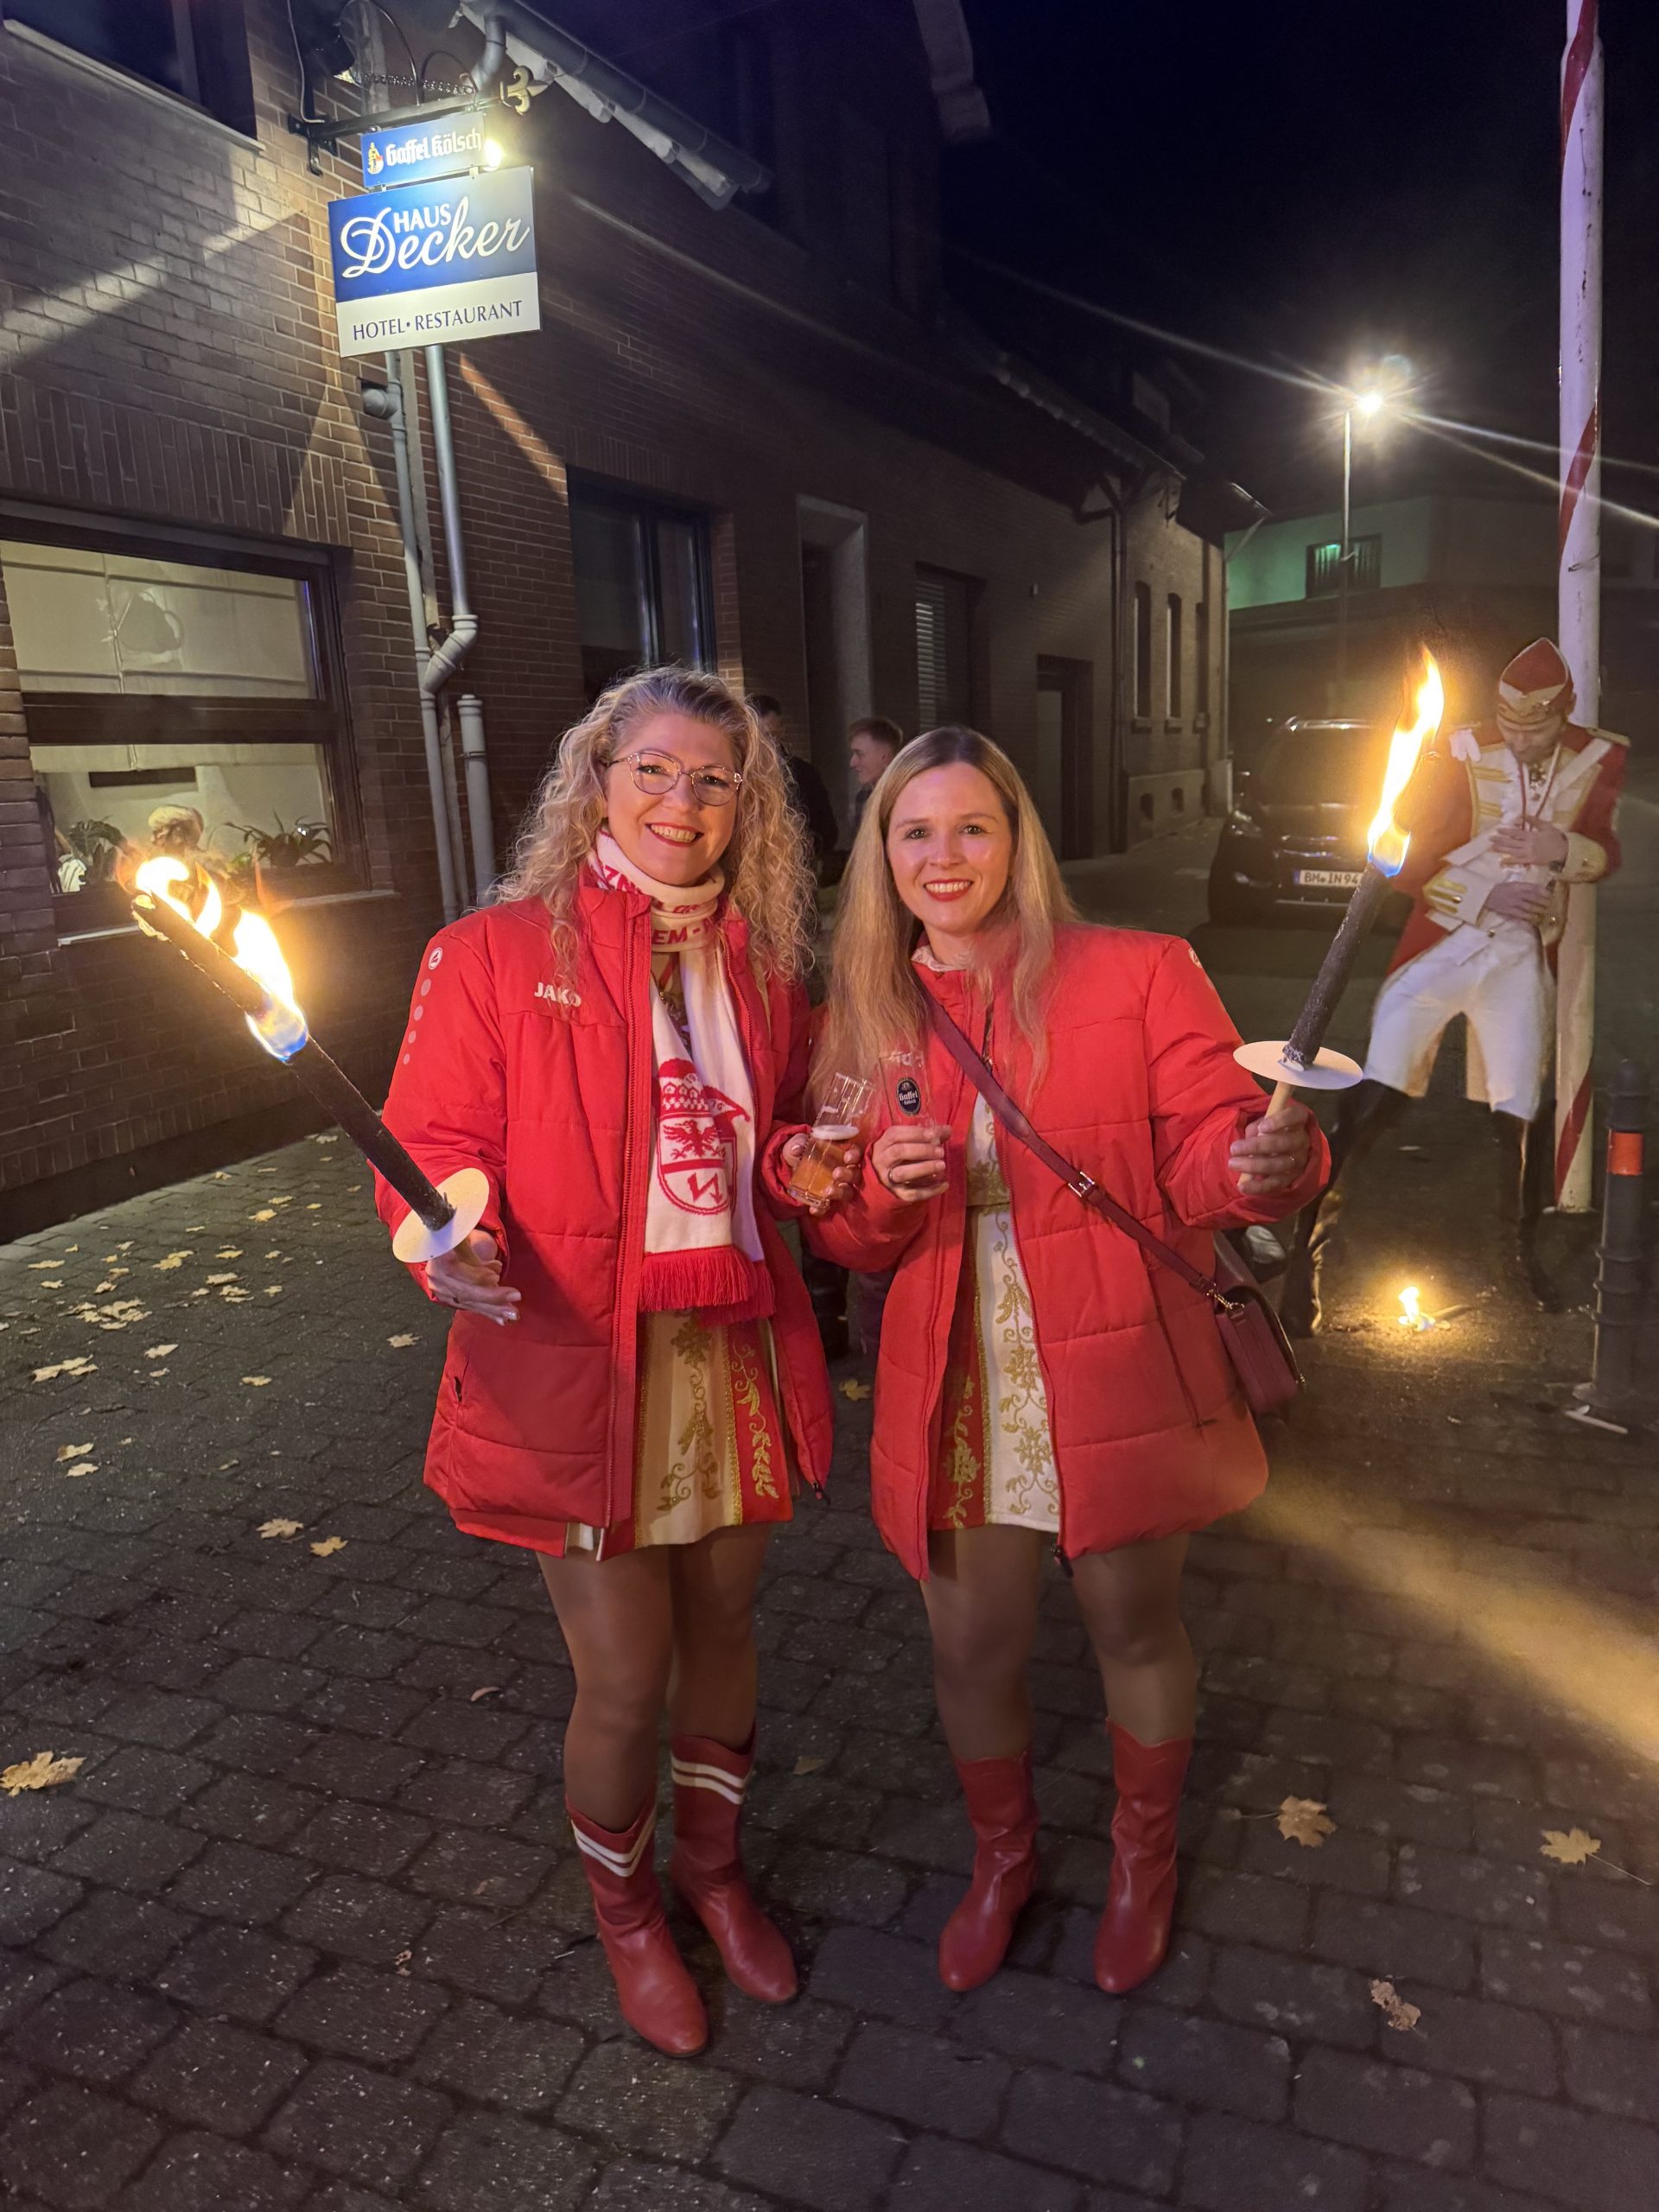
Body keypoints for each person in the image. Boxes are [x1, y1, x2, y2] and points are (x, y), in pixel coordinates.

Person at [374, 668, 856, 2057]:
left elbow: (774, 1129)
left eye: (714, 781)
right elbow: (429, 1145)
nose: (680, 803)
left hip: (732, 1345)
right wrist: (443, 1237)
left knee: (725, 1634)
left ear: (746, 808)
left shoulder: (762, 966)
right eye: (652, 770)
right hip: (582, 1360)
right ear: (597, 781)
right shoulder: (488, 953)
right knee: (627, 1676)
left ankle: (713, 1870)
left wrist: (800, 1162)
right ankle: (631, 1915)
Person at [808, 725, 1325, 1997]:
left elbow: (1210, 1153)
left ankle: (1145, 1862)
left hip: (1114, 1356)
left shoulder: (1140, 971)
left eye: (972, 827)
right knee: (972, 1648)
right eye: (915, 831)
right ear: (882, 853)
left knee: (1132, 1625)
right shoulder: (864, 1012)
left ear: (1017, 840)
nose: (944, 856)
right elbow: (845, 1234)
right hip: (956, 1374)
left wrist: (1265, 1163)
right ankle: (1004, 1860)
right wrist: (876, 1193)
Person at [1281, 638, 1626, 1333]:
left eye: (1535, 728)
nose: (1521, 739)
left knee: (1519, 1111)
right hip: (1442, 947)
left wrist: (1560, 849)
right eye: (1511, 724)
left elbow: (1607, 850)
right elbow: (1404, 860)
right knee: (1373, 1101)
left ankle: (1517, 1257)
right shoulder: (1459, 750)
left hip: (1521, 955)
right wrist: (1484, 896)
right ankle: (1303, 1260)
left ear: (1562, 716)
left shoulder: (1600, 756)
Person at [748, 692, 840, 873]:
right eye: (762, 737)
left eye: (772, 735)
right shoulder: (737, 773)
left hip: (795, 870)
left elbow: (827, 831)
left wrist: (800, 848)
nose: (768, 744)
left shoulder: (804, 775)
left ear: (782, 730)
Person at [849, 714, 903, 835]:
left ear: (884, 757)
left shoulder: (909, 798)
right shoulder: (862, 798)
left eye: (860, 754)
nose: (852, 763)